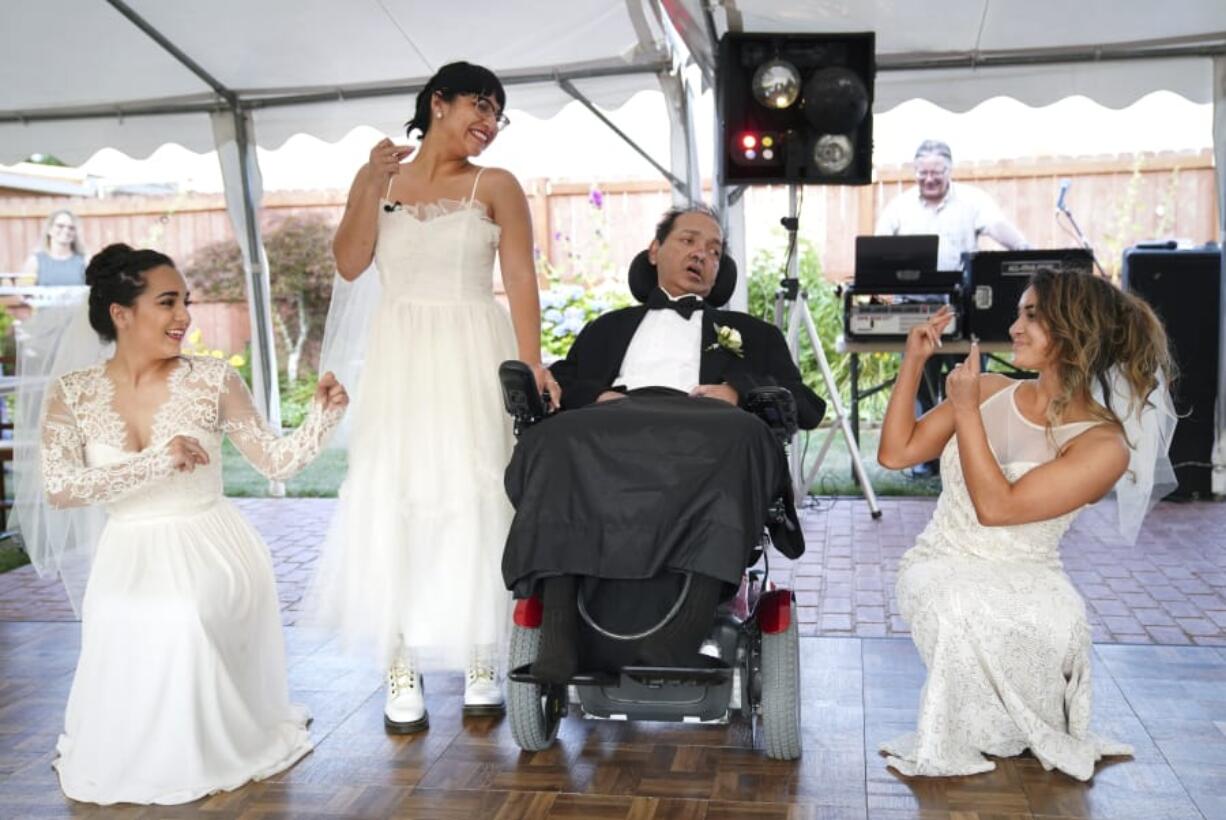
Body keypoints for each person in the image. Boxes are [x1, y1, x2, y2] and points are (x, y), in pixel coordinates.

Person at [32, 243, 347, 805]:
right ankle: (136, 750)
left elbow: (275, 462)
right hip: (126, 549)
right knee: (117, 613)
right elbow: (60, 489)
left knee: (181, 615)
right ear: (120, 314)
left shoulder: (212, 380)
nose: (184, 317)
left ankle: (202, 749)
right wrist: (155, 460)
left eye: (186, 302)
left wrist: (323, 417)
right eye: (168, 303)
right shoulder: (72, 394)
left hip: (209, 543)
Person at [309, 61, 558, 734]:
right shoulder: (382, 180)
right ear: (438, 102)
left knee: (475, 496)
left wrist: (530, 363)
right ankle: (401, 665)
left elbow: (522, 280)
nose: (489, 123)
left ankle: (482, 658)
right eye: (481, 105)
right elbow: (351, 262)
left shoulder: (496, 184)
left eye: (498, 115)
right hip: (401, 354)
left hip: (474, 346)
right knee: (398, 497)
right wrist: (367, 180)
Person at [502, 205, 826, 683]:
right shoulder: (608, 328)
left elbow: (805, 404)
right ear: (654, 251)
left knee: (741, 433)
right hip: (613, 430)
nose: (702, 255)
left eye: (714, 251)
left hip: (704, 434)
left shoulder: (753, 335)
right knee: (552, 438)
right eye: (689, 241)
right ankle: (559, 639)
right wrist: (595, 395)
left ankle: (676, 640)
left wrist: (740, 392)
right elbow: (566, 380)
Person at [875, 268, 1177, 781]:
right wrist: (914, 361)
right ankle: (969, 730)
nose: (1015, 326)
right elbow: (895, 453)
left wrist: (967, 411)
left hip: (1032, 574)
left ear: (1074, 330)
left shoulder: (1104, 446)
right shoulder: (990, 389)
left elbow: (1001, 508)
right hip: (943, 559)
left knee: (1063, 620)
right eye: (1018, 313)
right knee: (957, 604)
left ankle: (1024, 725)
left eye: (1031, 316)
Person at [877, 140, 1031, 476]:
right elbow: (879, 253)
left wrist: (1024, 250)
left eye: (936, 172)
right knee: (921, 382)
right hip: (915, 310)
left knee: (970, 382)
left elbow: (1001, 229)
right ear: (915, 173)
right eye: (923, 173)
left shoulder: (973, 201)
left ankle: (969, 456)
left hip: (963, 308)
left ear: (949, 171)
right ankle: (924, 458)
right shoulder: (899, 207)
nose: (929, 178)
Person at [22, 209, 87, 286]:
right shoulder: (34, 262)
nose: (66, 230)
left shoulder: (85, 261)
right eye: (60, 226)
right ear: (49, 229)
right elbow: (24, 293)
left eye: (71, 228)